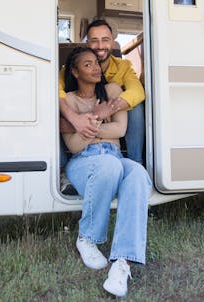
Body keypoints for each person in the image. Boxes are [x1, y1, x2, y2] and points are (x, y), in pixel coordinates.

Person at [61, 47, 152, 297]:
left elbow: (121, 130)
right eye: (87, 65)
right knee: (110, 165)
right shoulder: (68, 100)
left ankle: (123, 261)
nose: (95, 68)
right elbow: (74, 145)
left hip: (114, 157)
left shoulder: (112, 91)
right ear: (75, 71)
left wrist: (86, 125)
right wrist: (100, 119)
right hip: (82, 161)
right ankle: (87, 237)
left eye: (96, 64)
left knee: (137, 174)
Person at [59, 19, 145, 165]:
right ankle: (61, 167)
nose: (100, 46)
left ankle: (136, 161)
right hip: (80, 118)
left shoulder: (122, 66)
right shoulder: (69, 69)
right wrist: (74, 119)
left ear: (112, 41)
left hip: (110, 118)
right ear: (87, 43)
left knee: (136, 106)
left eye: (105, 40)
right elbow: (56, 92)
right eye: (94, 40)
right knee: (54, 109)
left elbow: (137, 92)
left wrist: (105, 111)